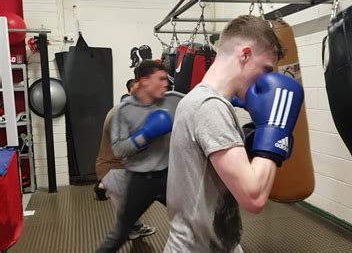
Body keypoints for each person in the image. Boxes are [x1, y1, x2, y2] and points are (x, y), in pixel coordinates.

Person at [164, 15, 304, 252]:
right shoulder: (209, 106)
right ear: (245, 54)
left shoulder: (202, 100)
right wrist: (275, 129)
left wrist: (253, 138)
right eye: (266, 69)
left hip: (218, 244)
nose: (268, 80)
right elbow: (254, 197)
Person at [96, 60, 171, 252]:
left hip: (157, 173)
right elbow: (120, 151)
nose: (165, 83)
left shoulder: (161, 105)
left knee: (188, 215)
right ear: (144, 81)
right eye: (161, 79)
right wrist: (145, 135)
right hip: (130, 174)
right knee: (122, 232)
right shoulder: (121, 112)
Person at [94, 106, 156, 239]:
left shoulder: (120, 112)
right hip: (115, 170)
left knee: (128, 204)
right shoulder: (119, 116)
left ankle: (134, 228)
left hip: (113, 169)